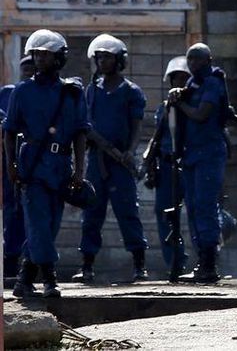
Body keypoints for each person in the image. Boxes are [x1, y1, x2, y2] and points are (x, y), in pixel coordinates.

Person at [5, 30, 89, 297]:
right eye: (36, 54)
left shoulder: (73, 92)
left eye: (46, 54)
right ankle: (50, 278)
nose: (39, 59)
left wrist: (80, 169)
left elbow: (80, 132)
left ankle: (24, 278)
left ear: (59, 58)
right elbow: (8, 131)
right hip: (33, 164)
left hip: (61, 165)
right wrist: (11, 166)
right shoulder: (22, 91)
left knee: (50, 225)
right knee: (39, 223)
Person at [73, 34, 148, 283]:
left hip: (120, 163)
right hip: (96, 160)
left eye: (107, 57)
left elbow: (137, 126)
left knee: (128, 212)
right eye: (100, 57)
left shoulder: (131, 91)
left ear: (119, 60)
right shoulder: (92, 91)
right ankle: (87, 265)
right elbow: (85, 125)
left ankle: (139, 265)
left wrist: (129, 152)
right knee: (91, 214)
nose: (102, 61)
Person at [168, 43, 228, 283]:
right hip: (192, 154)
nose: (193, 64)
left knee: (205, 206)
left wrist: (179, 103)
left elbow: (201, 114)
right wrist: (179, 94)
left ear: (208, 60)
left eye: (198, 59)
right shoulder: (193, 84)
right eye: (190, 59)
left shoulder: (212, 82)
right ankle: (201, 262)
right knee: (192, 208)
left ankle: (209, 265)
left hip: (209, 153)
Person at [148, 56, 191, 275]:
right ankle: (174, 262)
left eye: (185, 78)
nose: (180, 83)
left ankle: (206, 262)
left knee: (196, 213)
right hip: (167, 167)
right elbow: (157, 138)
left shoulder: (197, 106)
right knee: (166, 215)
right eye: (177, 79)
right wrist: (150, 164)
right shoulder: (164, 109)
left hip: (190, 167)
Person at [1, 55, 36, 278]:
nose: (29, 74)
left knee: (34, 212)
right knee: (12, 211)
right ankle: (11, 260)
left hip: (36, 162)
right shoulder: (8, 93)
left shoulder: (48, 94)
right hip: (10, 162)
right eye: (25, 70)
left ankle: (32, 262)